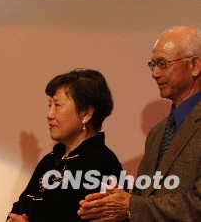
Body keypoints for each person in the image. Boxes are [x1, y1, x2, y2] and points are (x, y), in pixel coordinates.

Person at [78, 25, 201, 222]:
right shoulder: (157, 133)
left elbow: (197, 204)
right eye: (153, 65)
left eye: (163, 63)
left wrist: (130, 206)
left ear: (194, 65)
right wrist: (110, 208)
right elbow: (144, 199)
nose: (155, 73)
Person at [8, 69, 122, 222]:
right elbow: (18, 208)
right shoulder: (49, 160)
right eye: (49, 106)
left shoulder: (103, 163)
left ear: (86, 113)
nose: (49, 114)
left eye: (58, 105)